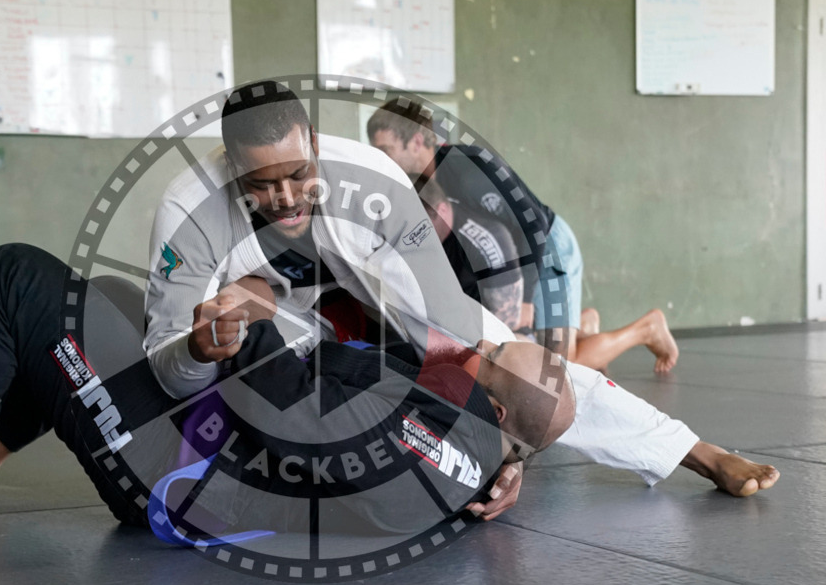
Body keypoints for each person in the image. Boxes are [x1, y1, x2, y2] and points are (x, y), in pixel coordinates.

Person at [144, 81, 778, 516]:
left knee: (527, 370)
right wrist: (201, 347)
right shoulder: (188, 209)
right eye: (263, 184)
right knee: (247, 309)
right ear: (230, 164)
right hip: (296, 329)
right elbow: (166, 365)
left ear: (311, 138)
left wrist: (507, 446)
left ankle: (692, 450)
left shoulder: (375, 184)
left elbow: (454, 333)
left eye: (297, 175)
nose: (284, 197)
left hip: (368, 288)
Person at [0, 244, 573, 542]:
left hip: (175, 475)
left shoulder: (440, 430)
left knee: (12, 277)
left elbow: (292, 410)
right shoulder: (471, 445)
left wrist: (249, 312)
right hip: (213, 448)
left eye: (513, 355)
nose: (503, 340)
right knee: (107, 296)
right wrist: (515, 465)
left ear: (499, 407)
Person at [366, 99, 680, 374]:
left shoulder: (466, 169)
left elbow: (533, 224)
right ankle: (583, 324)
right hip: (516, 258)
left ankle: (645, 329)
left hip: (546, 247)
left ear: (417, 141)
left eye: (384, 150)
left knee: (556, 369)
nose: (379, 159)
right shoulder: (421, 183)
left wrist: (526, 298)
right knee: (535, 353)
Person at [413, 174, 524, 331]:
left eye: (420, 227)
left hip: (479, 333)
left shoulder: (487, 241)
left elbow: (507, 323)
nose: (413, 235)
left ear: (441, 211)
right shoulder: (421, 228)